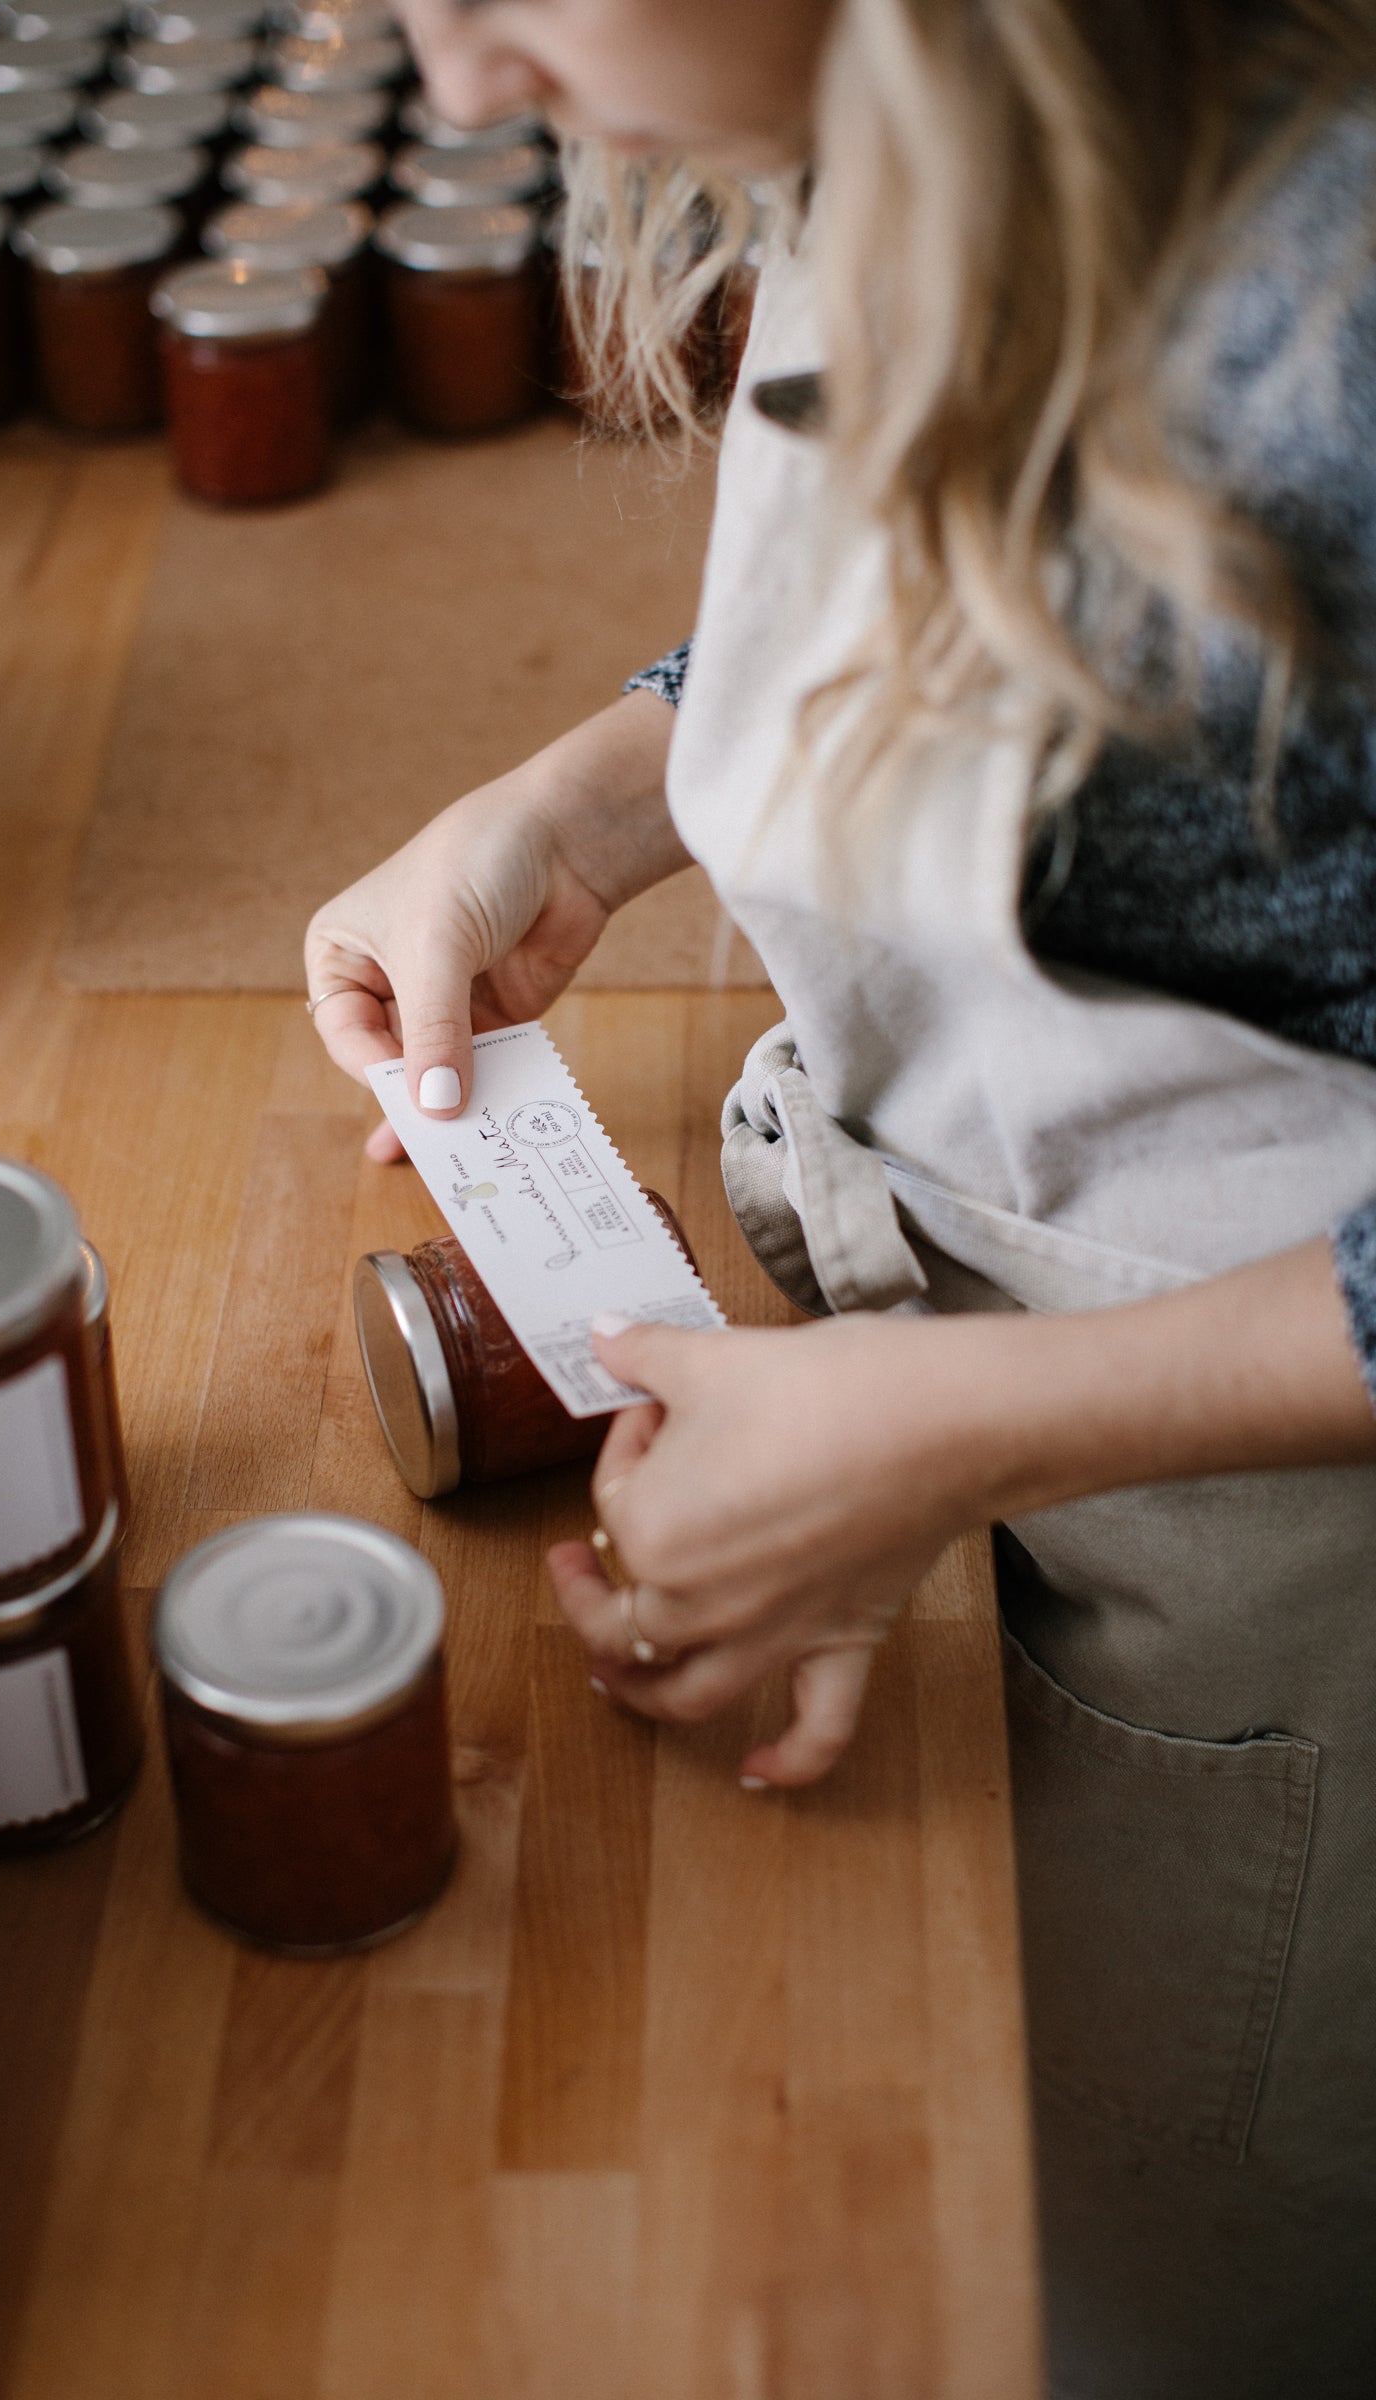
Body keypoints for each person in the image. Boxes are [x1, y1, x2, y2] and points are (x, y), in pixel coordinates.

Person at [305, 4, 1376, 2392]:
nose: (454, 83)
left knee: (1153, 2303)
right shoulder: (898, 111)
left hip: (1284, 1587)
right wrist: (611, 785)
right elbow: (1090, 627)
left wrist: (955, 1428)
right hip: (987, 1356)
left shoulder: (1333, 308)